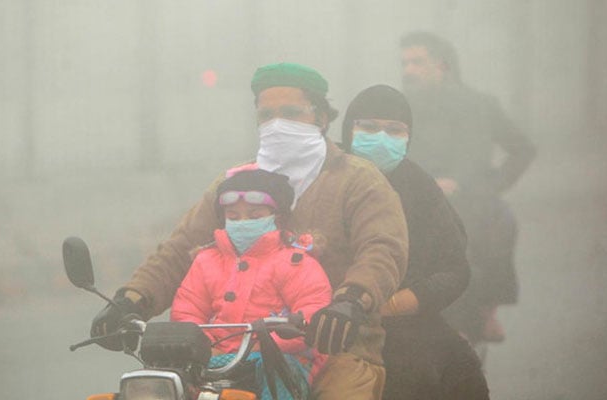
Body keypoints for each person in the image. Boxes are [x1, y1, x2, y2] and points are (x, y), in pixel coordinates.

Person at [91, 62, 409, 400]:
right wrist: (131, 300)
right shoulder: (235, 185)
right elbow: (179, 250)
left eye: (291, 113)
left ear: (321, 118)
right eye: (266, 115)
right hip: (227, 356)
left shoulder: (358, 180)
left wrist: (350, 302)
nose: (277, 124)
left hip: (337, 347)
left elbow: (382, 249)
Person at [340, 84, 490, 399]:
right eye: (368, 127)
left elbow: (454, 269)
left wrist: (393, 305)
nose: (380, 138)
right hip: (322, 318)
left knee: (456, 372)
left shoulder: (420, 186)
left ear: (409, 137)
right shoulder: (324, 176)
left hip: (404, 324)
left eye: (394, 130)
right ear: (347, 128)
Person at [399, 31, 537, 346]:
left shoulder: (481, 105)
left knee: (501, 222)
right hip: (416, 199)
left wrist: (491, 185)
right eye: (404, 63)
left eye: (417, 62)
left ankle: (487, 311)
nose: (408, 70)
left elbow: (522, 149)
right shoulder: (402, 108)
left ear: (443, 65)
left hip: (473, 199)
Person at [171, 167, 332, 400]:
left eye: (255, 216)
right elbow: (187, 311)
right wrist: (201, 347)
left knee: (270, 370)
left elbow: (314, 312)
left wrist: (266, 345)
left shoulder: (295, 262)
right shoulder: (206, 261)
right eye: (233, 217)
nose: (243, 222)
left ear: (278, 217)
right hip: (213, 359)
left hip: (279, 360)